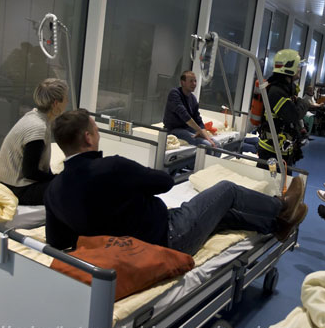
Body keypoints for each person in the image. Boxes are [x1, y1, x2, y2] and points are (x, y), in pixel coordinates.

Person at [44, 109, 307, 254]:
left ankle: (277, 225)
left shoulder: (53, 190)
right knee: (226, 191)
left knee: (224, 217)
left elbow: (57, 241)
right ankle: (279, 207)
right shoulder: (112, 167)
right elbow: (164, 183)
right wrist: (135, 181)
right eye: (96, 129)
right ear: (89, 138)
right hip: (167, 238)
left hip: (121, 248)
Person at [0, 78, 68, 205]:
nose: (67, 102)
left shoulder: (33, 116)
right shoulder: (37, 128)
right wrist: (55, 179)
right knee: (73, 186)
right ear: (56, 103)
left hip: (9, 183)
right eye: (66, 98)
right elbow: (30, 172)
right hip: (18, 189)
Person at [257, 49, 304, 165]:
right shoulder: (276, 92)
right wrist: (304, 103)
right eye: (298, 66)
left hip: (282, 150)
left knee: (282, 182)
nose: (299, 69)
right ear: (289, 68)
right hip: (271, 152)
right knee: (272, 182)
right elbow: (294, 115)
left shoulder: (285, 89)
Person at [163, 70, 217, 148]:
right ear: (182, 83)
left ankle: (211, 159)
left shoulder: (193, 99)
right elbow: (184, 115)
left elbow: (198, 120)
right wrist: (199, 130)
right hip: (173, 129)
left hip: (188, 128)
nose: (194, 84)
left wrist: (208, 137)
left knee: (216, 144)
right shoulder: (174, 93)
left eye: (195, 81)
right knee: (207, 145)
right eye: (191, 81)